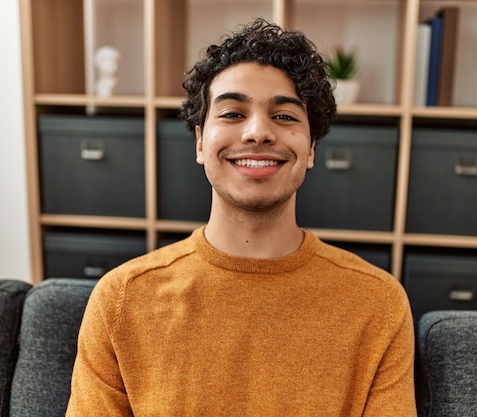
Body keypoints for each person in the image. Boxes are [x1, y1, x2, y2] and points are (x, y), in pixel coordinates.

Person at [67, 18, 416, 416]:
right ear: (200, 141)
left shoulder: (378, 304)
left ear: (312, 148)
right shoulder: (121, 300)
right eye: (232, 113)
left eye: (284, 117)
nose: (257, 132)